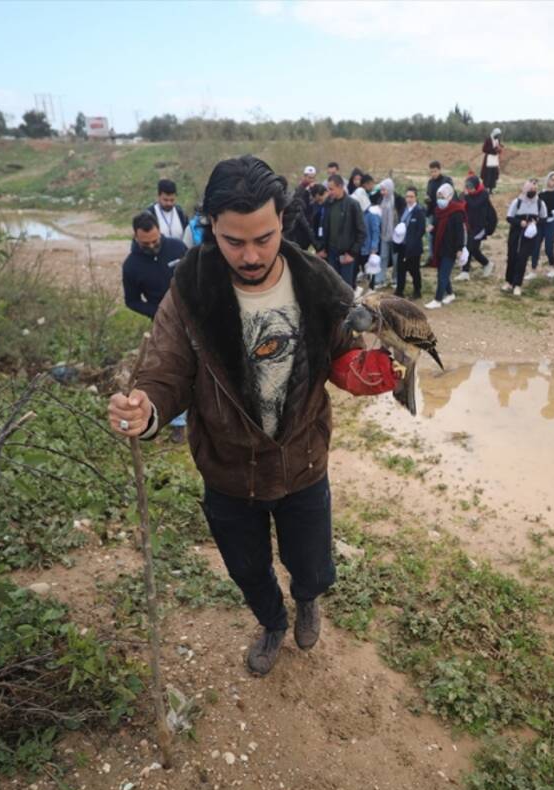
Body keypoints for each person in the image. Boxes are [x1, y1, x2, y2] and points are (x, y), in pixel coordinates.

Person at [108, 155, 399, 676]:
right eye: (233, 241)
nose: (249, 255)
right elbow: (166, 367)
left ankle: (306, 600)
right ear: (210, 228)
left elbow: (342, 353)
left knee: (310, 563)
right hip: (227, 469)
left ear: (282, 222)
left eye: (263, 238)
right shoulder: (192, 289)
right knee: (247, 567)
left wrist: (364, 370)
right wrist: (146, 406)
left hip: (302, 461)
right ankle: (272, 622)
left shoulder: (317, 281)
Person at [122, 211, 191, 442]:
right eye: (146, 243)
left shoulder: (177, 247)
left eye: (155, 240)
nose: (152, 246)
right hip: (164, 327)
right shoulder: (131, 266)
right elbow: (131, 300)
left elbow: (196, 274)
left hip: (194, 316)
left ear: (159, 232)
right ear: (136, 237)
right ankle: (178, 423)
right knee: (172, 369)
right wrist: (159, 312)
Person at [317, 174, 365, 284]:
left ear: (340, 187)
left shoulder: (352, 205)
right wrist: (322, 247)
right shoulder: (328, 204)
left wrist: (352, 253)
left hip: (346, 254)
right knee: (332, 284)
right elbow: (324, 226)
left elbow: (361, 231)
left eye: (331, 189)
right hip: (331, 252)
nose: (329, 192)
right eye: (328, 189)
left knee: (345, 286)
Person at [502, 179, 546, 295]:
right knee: (512, 256)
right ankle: (508, 281)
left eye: (535, 189)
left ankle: (517, 284)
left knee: (522, 258)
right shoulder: (517, 202)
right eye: (530, 189)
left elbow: (544, 218)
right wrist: (519, 222)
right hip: (516, 233)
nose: (532, 191)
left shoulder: (540, 203)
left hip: (529, 235)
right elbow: (509, 217)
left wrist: (535, 223)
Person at [427, 182, 465, 309]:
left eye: (442, 197)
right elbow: (437, 227)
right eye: (438, 197)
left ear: (449, 197)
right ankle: (450, 294)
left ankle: (438, 300)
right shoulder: (438, 211)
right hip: (440, 247)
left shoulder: (456, 212)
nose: (440, 200)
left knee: (442, 274)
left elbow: (460, 233)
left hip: (451, 249)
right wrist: (432, 228)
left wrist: (459, 248)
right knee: (442, 273)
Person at [461, 174, 497, 276]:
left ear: (476, 186)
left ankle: (486, 264)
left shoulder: (483, 195)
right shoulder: (468, 195)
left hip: (481, 227)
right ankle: (465, 271)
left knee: (472, 248)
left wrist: (467, 196)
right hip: (470, 225)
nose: (469, 190)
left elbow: (474, 205)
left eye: (471, 188)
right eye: (467, 187)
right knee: (468, 248)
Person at [394, 186, 426, 299]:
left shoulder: (419, 211)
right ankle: (399, 291)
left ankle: (417, 291)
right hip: (402, 245)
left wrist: (413, 242)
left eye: (411, 197)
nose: (409, 199)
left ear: (416, 198)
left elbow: (421, 230)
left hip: (413, 247)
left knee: (414, 270)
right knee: (400, 269)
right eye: (407, 196)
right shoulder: (403, 209)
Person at [538, 171, 554, 277]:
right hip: (542, 221)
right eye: (552, 180)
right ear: (547, 180)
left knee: (549, 245)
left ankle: (553, 266)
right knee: (536, 244)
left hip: (552, 221)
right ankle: (534, 267)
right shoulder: (541, 194)